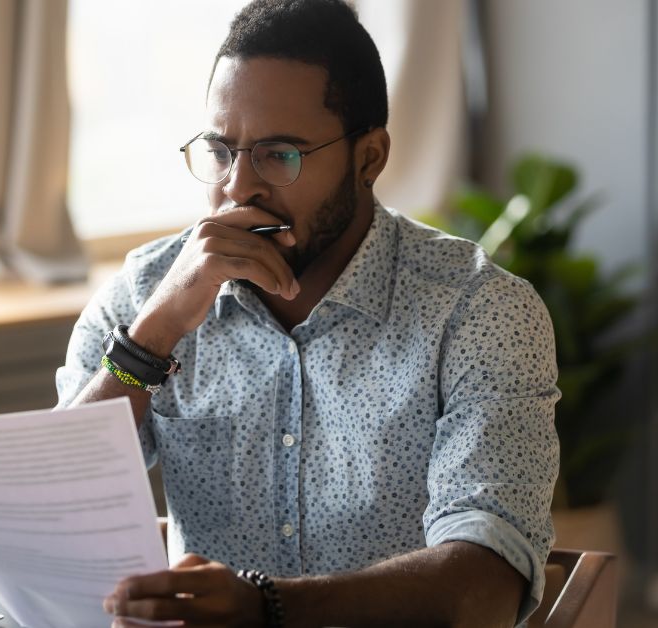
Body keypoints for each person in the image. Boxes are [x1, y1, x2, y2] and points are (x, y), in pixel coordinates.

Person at [55, 0, 559, 625]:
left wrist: (268, 608)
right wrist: (151, 339)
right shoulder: (146, 298)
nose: (238, 188)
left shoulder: (480, 311)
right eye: (221, 150)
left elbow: (485, 585)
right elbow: (54, 516)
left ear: (370, 158)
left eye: (279, 155)